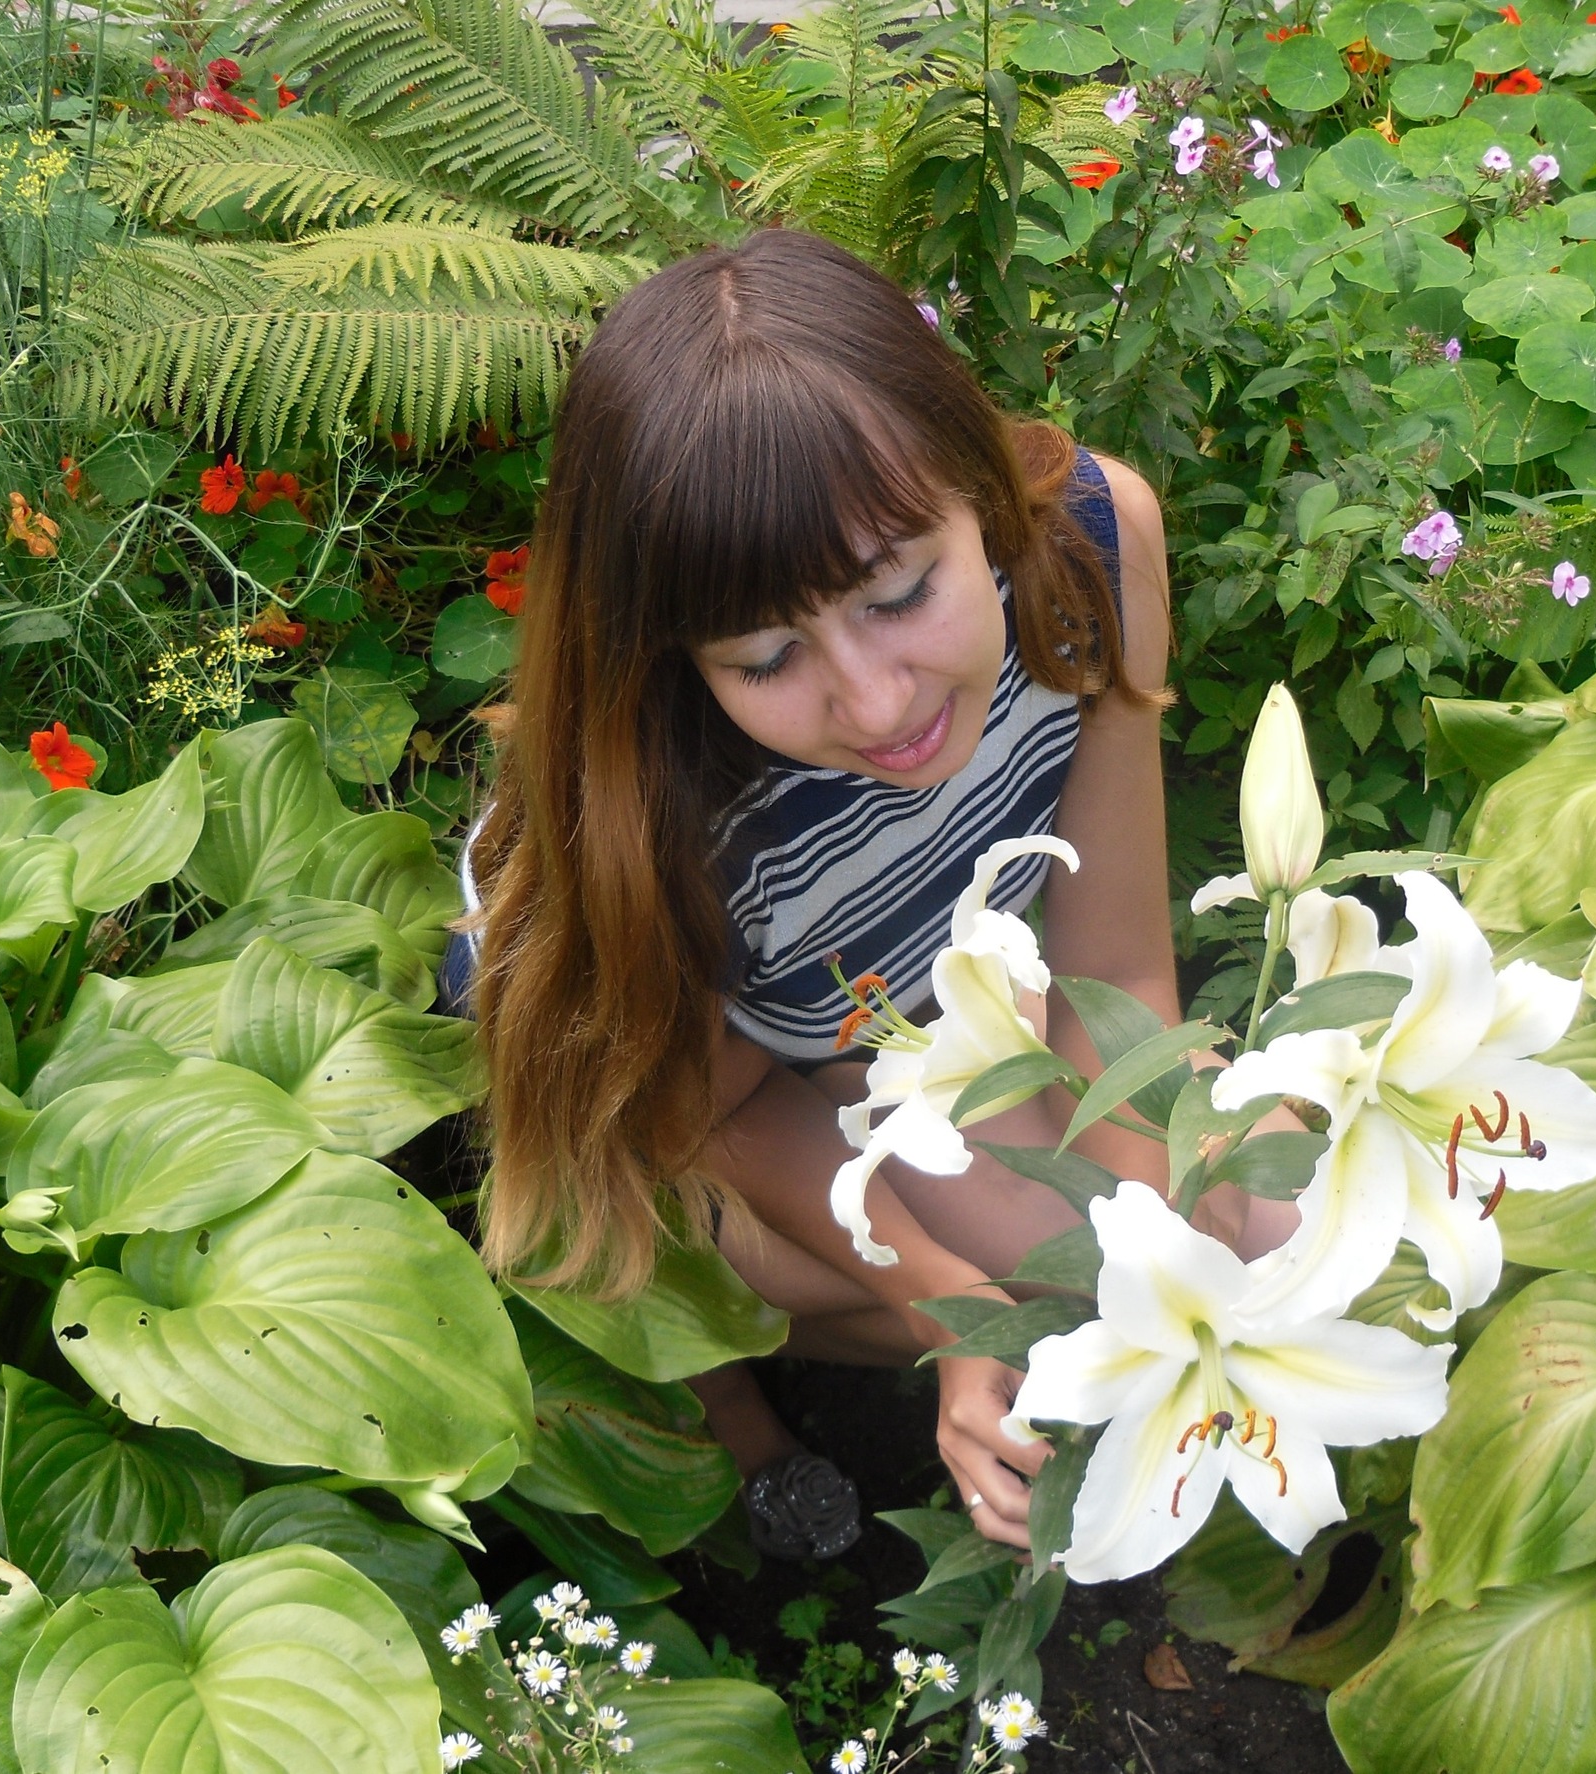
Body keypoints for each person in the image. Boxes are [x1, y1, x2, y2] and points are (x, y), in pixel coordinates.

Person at [457, 229, 1291, 1559]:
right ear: (675, 655)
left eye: (902, 593)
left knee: (1263, 1208)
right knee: (1050, 1280)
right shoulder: (663, 804)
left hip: (927, 986)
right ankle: (719, 1400)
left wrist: (1173, 1226)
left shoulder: (1088, 545)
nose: (876, 701)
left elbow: (1118, 964)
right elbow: (699, 1110)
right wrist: (953, 1307)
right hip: (686, 1077)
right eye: (765, 657)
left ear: (978, 491)